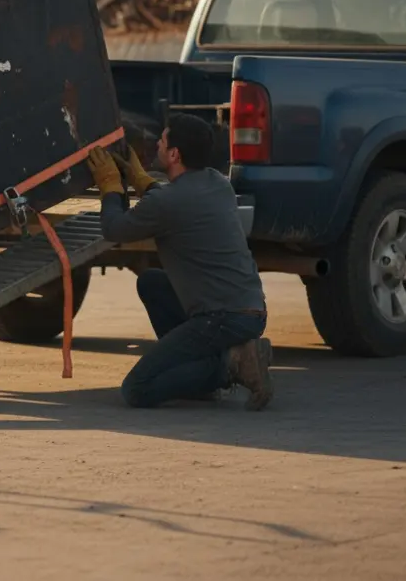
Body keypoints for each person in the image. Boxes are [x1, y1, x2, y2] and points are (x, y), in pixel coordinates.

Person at [86, 112, 274, 410]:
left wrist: (110, 186)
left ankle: (230, 366)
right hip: (250, 311)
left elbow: (114, 229)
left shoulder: (168, 202)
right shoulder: (218, 183)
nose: (156, 145)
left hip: (221, 318)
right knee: (152, 283)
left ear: (174, 154)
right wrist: (143, 182)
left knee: (137, 389)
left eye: (161, 141)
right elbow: (177, 203)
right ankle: (210, 365)